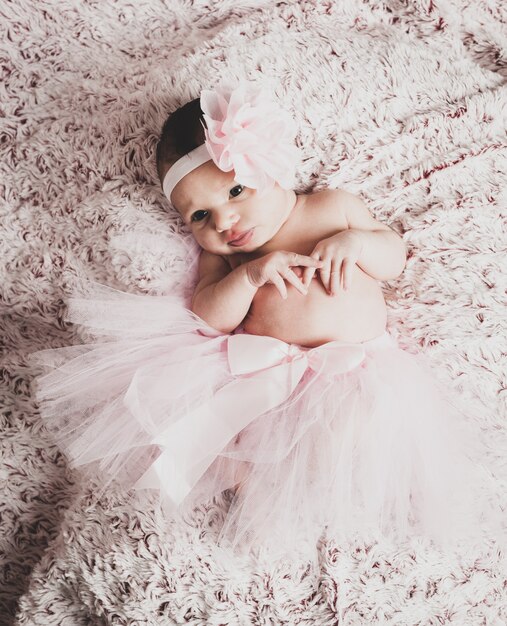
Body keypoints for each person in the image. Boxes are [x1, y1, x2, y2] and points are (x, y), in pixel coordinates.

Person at [31, 80, 504, 560]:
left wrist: (357, 244)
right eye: (199, 215)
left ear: (273, 168)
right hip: (264, 376)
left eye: (236, 190)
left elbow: (394, 256)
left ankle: (324, 496)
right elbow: (209, 317)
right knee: (221, 431)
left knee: (353, 431)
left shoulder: (330, 208)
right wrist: (251, 277)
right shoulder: (229, 259)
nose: (224, 222)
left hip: (354, 372)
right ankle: (253, 488)